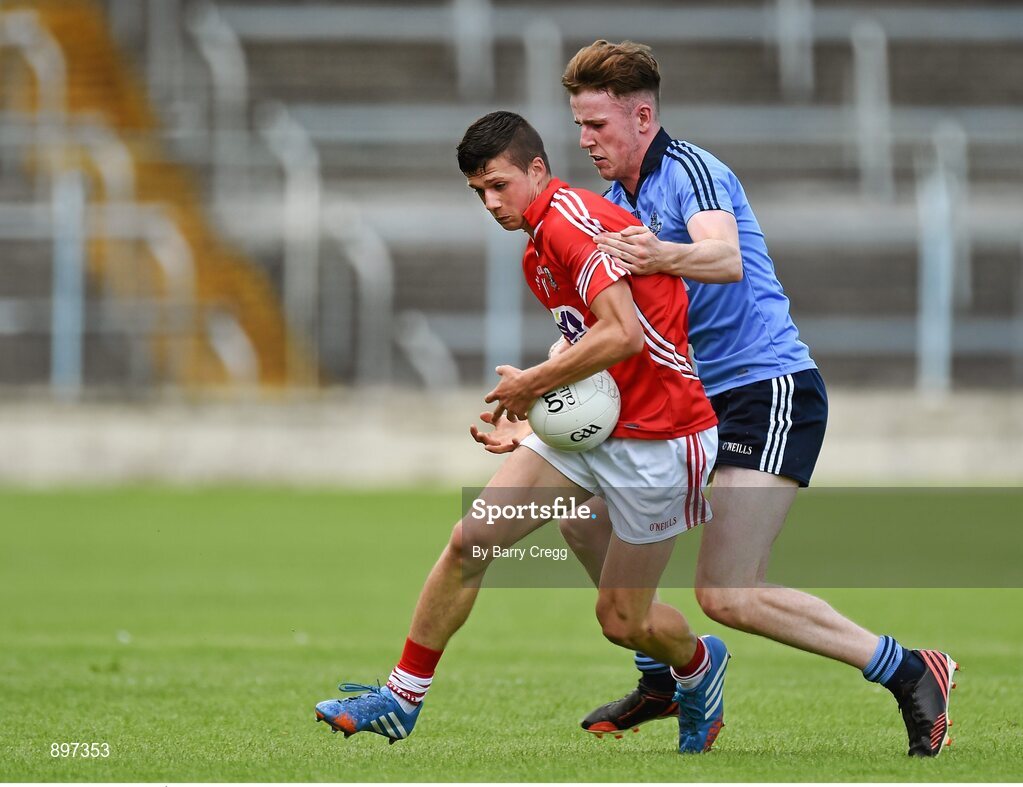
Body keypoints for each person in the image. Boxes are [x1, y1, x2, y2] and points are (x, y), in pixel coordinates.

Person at [551, 40, 957, 758]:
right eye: (578, 126)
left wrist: (658, 253)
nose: (584, 141)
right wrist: (540, 381)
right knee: (583, 521)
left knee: (728, 594)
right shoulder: (612, 203)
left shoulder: (692, 172)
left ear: (642, 115)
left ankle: (907, 668)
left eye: (596, 126)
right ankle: (659, 676)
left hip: (763, 390)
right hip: (689, 404)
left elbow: (724, 256)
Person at [315, 111, 727, 754]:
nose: (491, 202)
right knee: (471, 539)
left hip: (662, 437)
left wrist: (532, 383)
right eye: (479, 192)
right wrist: (535, 414)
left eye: (500, 185)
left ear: (538, 169)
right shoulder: (538, 247)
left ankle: (698, 666)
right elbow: (586, 339)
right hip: (600, 429)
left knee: (624, 621)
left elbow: (622, 333)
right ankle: (401, 697)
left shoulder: (567, 224)